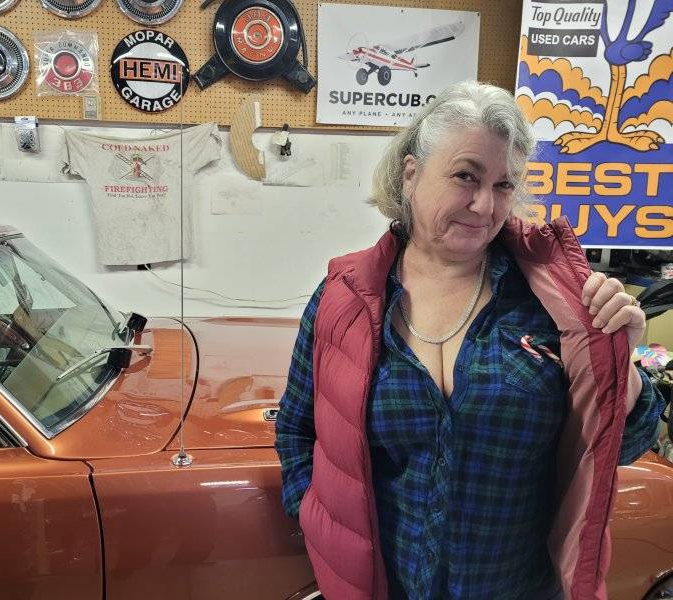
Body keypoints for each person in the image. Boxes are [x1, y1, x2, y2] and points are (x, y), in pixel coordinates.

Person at [274, 81, 665, 600]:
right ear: (411, 173)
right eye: (466, 176)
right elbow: (297, 429)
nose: (484, 205)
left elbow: (625, 445)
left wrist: (620, 364)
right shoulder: (344, 298)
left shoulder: (556, 303)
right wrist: (317, 518)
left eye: (504, 185)